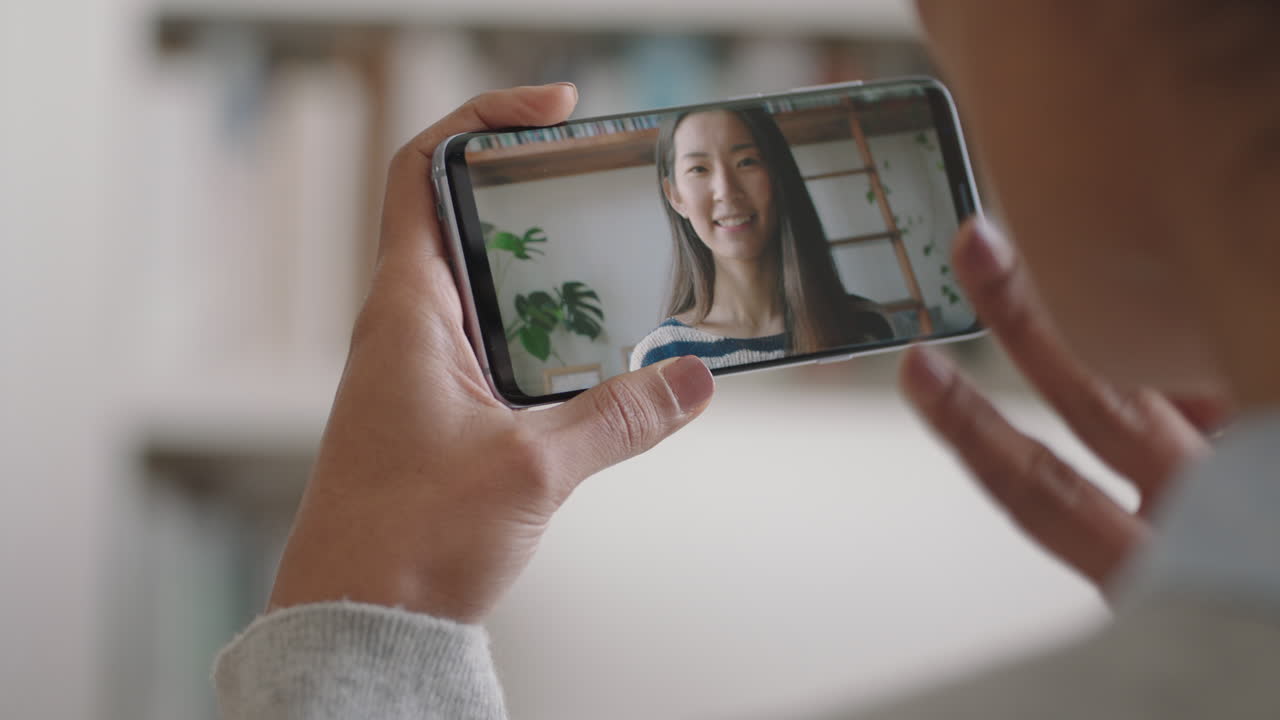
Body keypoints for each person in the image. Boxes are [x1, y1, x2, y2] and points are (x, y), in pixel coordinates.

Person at [214, 1, 1280, 717]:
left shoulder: (857, 301)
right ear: (676, 199)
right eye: (696, 172)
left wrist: (366, 597)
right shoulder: (655, 347)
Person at [629, 107, 892, 371]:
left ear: (778, 175)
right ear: (675, 196)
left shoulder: (867, 326)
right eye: (699, 169)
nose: (726, 191)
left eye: (746, 162)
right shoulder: (660, 357)